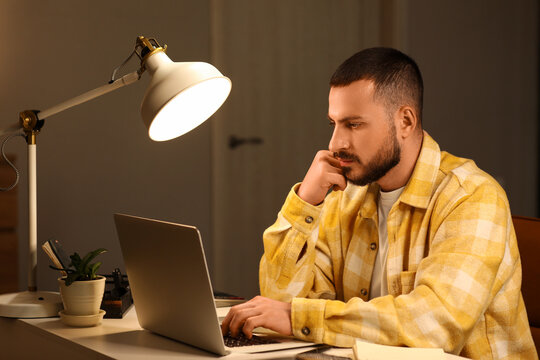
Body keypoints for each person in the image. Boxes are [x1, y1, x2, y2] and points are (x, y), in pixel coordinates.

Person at [221, 47, 538, 359]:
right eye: (334, 124)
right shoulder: (345, 196)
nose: (335, 144)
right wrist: (306, 200)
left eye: (354, 124)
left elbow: (433, 328)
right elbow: (280, 303)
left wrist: (298, 317)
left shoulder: (473, 197)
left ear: (405, 121)